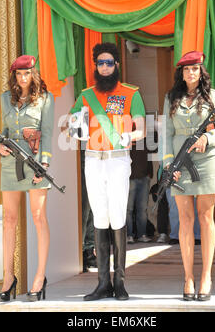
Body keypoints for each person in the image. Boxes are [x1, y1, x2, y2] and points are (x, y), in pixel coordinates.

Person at [63, 42, 146, 301]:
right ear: (96, 67)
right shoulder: (86, 95)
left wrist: (129, 134)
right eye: (101, 63)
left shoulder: (131, 93)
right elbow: (70, 124)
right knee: (99, 216)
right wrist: (71, 125)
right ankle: (102, 283)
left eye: (109, 62)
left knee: (118, 215)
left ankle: (119, 282)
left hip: (118, 159)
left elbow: (142, 130)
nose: (105, 67)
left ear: (117, 66)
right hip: (93, 160)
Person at [162, 51, 215, 301]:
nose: (191, 73)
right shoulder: (172, 97)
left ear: (201, 71)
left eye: (195, 69)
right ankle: (188, 277)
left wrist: (207, 137)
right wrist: (169, 165)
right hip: (180, 163)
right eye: (186, 69)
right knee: (185, 218)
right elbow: (167, 134)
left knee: (206, 217)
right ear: (181, 73)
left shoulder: (214, 97)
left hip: (207, 161)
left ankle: (206, 277)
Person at [0, 55, 54, 302]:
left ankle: (39, 277)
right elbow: (6, 132)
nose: (22, 78)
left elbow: (48, 132)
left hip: (34, 161)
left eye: (27, 74)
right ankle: (8, 277)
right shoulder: (4, 99)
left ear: (33, 74)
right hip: (11, 164)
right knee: (9, 219)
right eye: (19, 74)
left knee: (39, 217)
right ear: (14, 76)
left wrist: (45, 162)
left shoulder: (44, 98)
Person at [126, 139, 153, 244]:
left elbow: (149, 154)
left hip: (144, 177)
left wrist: (149, 173)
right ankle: (129, 235)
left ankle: (142, 234)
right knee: (128, 209)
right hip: (130, 177)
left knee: (142, 209)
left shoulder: (145, 136)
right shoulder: (126, 135)